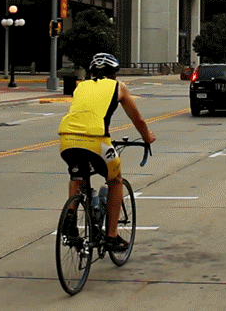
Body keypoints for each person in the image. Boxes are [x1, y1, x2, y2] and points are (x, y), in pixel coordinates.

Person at [58, 53, 155, 252]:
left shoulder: (80, 87)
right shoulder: (118, 87)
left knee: (77, 174)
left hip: (66, 138)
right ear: (115, 73)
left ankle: (70, 216)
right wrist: (148, 137)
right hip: (96, 140)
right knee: (115, 180)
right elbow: (137, 119)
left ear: (91, 73)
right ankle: (111, 236)